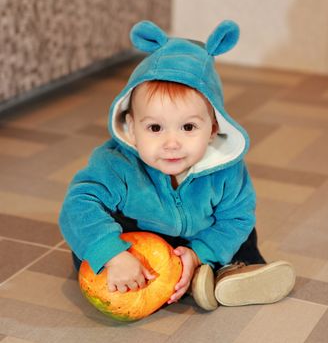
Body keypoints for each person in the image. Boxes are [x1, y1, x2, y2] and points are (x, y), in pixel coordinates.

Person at [59, 20, 296, 311]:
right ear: (132, 128)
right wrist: (113, 254)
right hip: (137, 239)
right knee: (87, 244)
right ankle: (179, 278)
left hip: (198, 237)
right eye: (156, 128)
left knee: (242, 234)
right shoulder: (116, 163)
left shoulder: (225, 169)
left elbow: (237, 217)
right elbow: (79, 203)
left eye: (187, 127)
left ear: (212, 128)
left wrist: (199, 252)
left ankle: (225, 271)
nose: (172, 143)